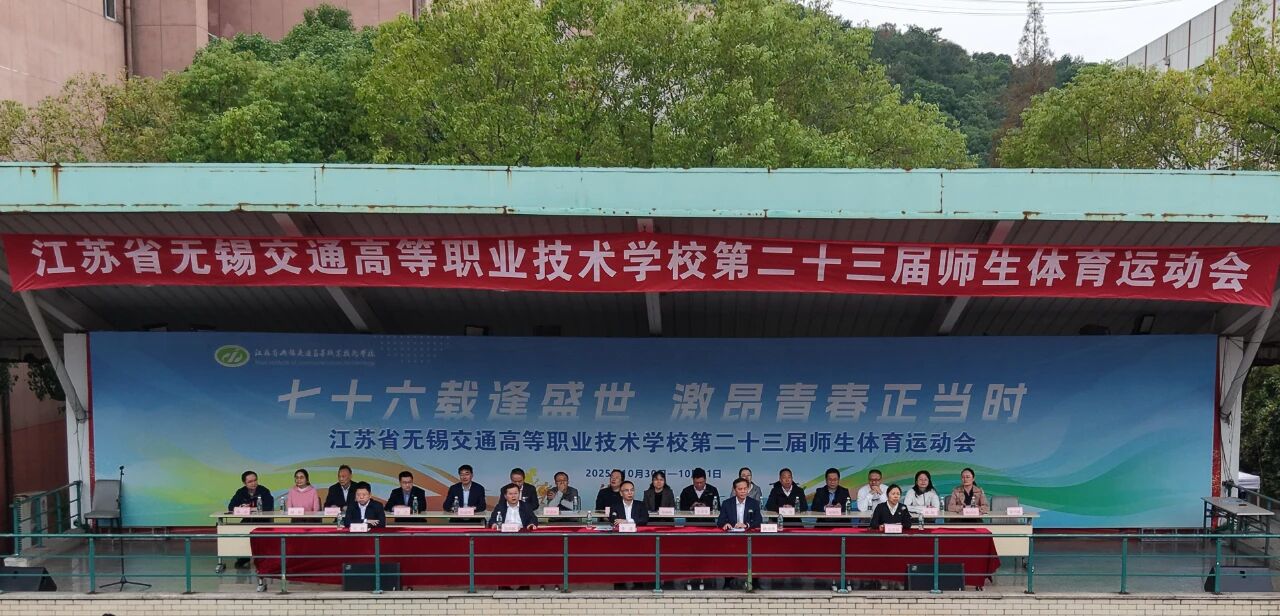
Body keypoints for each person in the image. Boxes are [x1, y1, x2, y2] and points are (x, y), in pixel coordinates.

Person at [227, 470, 273, 569]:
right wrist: (241, 507)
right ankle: (244, 557)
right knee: (240, 531)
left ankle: (263, 559)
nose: (253, 483)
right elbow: (231, 507)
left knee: (262, 535)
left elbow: (269, 506)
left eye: (255, 480)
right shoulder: (241, 492)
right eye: (250, 481)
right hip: (248, 520)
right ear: (245, 483)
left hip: (263, 520)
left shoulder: (264, 491)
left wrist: (252, 509)